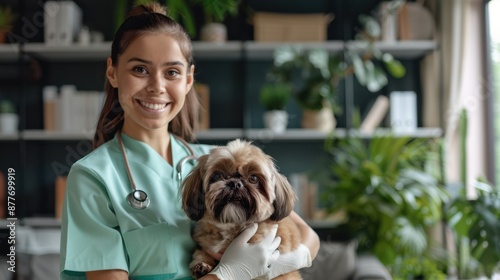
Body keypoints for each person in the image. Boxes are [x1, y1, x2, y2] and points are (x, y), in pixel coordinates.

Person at [59, 3, 320, 280]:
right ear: (112, 72)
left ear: (188, 80)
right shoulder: (92, 177)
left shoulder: (215, 160)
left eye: (171, 72)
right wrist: (228, 274)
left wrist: (281, 264)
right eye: (140, 70)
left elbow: (307, 236)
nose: (157, 86)